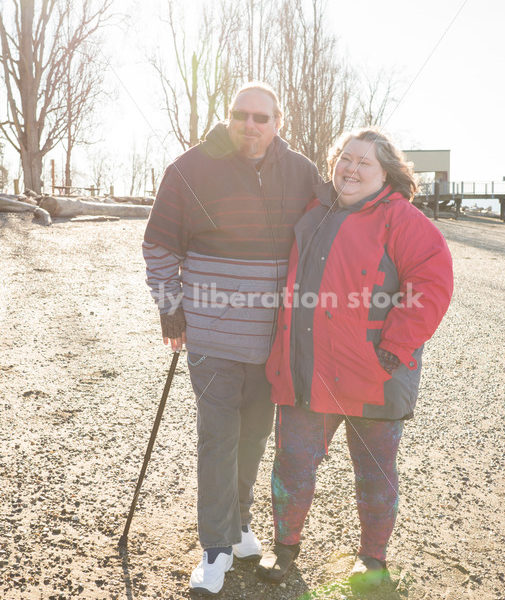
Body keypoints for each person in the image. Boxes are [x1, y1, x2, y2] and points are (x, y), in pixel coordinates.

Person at [142, 82, 321, 595]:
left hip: (274, 341)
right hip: (213, 337)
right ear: (228, 116)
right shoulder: (189, 169)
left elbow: (335, 226)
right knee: (218, 440)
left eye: (260, 117)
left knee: (253, 438)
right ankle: (216, 547)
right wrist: (170, 305)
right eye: (240, 114)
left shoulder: (302, 172)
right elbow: (158, 244)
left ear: (278, 121)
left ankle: (239, 525)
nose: (249, 125)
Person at [256, 128, 454, 590]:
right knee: (292, 463)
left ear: (386, 172)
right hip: (308, 372)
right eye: (345, 158)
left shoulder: (401, 219)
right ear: (332, 164)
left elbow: (432, 284)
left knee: (376, 473)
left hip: (375, 374)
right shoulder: (313, 212)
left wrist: (394, 349)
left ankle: (373, 560)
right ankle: (285, 546)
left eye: (365, 163)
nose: (351, 168)